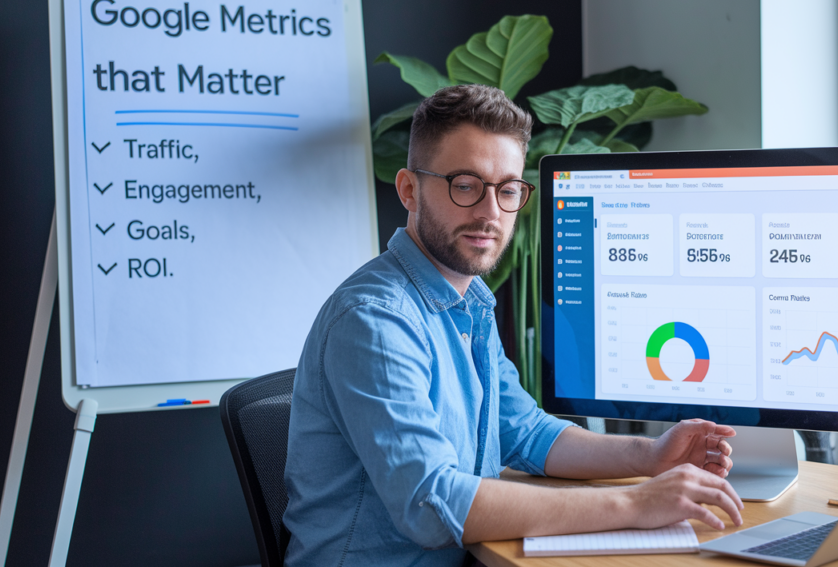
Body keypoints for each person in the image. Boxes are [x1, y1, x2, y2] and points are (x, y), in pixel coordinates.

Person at [283, 84, 743, 567]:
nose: (490, 213)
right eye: (465, 185)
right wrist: (634, 503)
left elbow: (526, 433)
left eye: (507, 190)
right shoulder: (376, 319)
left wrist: (649, 457)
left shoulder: (469, 303)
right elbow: (430, 506)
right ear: (409, 190)